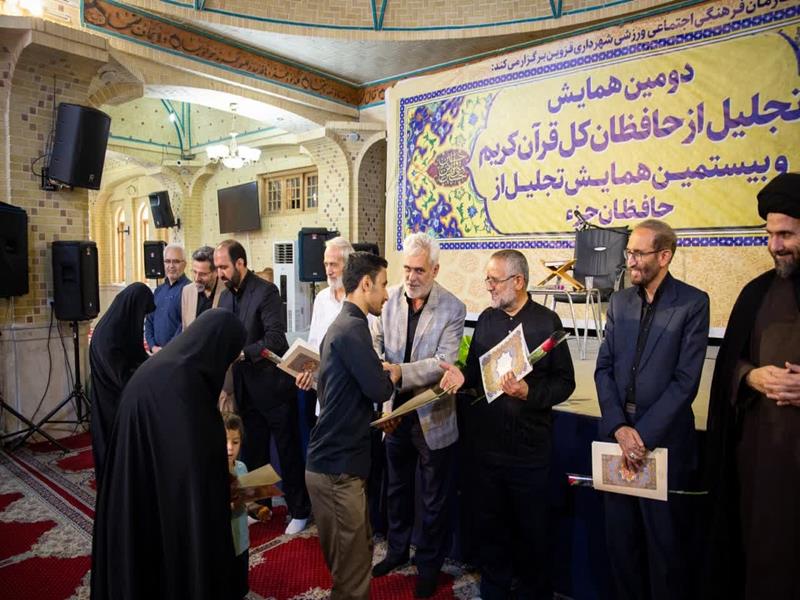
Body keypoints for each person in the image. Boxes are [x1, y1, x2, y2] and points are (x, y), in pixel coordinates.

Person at [441, 249, 575, 600]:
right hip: (487, 448)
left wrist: (530, 392)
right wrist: (462, 376)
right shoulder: (487, 319)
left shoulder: (546, 322)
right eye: (487, 279)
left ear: (518, 281)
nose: (488, 286)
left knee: (532, 531)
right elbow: (476, 373)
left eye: (494, 280)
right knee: (491, 526)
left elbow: (565, 382)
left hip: (529, 451)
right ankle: (495, 588)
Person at [91, 309, 246, 600]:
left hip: (138, 490)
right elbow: (193, 478)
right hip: (167, 507)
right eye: (228, 357)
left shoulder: (170, 366)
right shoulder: (185, 385)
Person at [594, 219, 709, 600]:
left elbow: (685, 382)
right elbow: (604, 368)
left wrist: (641, 436)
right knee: (621, 547)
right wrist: (619, 428)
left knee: (665, 553)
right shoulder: (619, 302)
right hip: (617, 440)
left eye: (639, 254)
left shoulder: (693, 303)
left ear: (664, 256)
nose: (630, 261)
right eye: (628, 253)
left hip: (662, 443)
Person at [705, 172, 800, 600]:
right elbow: (729, 363)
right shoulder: (755, 293)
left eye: (786, 234)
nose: (775, 245)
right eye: (769, 234)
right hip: (759, 462)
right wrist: (750, 375)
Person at [370, 233, 466, 598]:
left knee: (433, 499)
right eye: (407, 268)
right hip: (395, 412)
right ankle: (397, 551)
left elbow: (443, 363)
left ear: (435, 270)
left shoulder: (453, 308)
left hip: (432, 416)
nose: (411, 277)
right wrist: (386, 388)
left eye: (419, 270)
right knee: (396, 490)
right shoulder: (389, 299)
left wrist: (399, 371)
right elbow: (375, 346)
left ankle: (428, 566)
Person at [305, 251, 400, 600]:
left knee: (356, 559)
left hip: (339, 466)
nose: (386, 295)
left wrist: (376, 419)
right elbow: (379, 389)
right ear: (366, 284)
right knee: (352, 575)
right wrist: (393, 373)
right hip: (336, 470)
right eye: (384, 285)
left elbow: (342, 398)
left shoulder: (345, 325)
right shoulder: (353, 329)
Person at [215, 239, 312, 535]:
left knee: (287, 452)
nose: (220, 273)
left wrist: (243, 353)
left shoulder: (266, 292)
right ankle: (260, 506)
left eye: (224, 267)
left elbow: (275, 339)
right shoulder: (225, 298)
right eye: (217, 267)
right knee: (254, 453)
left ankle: (299, 510)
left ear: (240, 263)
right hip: (244, 389)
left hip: (274, 389)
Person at [89, 282, 154, 484]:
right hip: (110, 404)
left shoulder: (120, 326)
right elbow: (122, 376)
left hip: (119, 403)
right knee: (114, 455)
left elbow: (135, 355)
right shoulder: (108, 336)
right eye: (142, 314)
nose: (142, 319)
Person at [296, 236, 354, 436]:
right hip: (325, 397)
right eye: (326, 264)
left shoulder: (359, 298)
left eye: (333, 264)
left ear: (348, 265)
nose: (328, 270)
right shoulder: (321, 299)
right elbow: (314, 344)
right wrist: (306, 371)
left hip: (352, 398)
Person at [145, 243, 190, 353]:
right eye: (167, 261)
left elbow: (185, 326)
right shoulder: (158, 291)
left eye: (176, 261)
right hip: (156, 353)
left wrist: (167, 351)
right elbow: (149, 321)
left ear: (184, 264)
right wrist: (153, 347)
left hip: (177, 354)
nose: (171, 266)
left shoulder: (189, 290)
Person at [224, 412, 250, 600]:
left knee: (241, 581)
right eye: (225, 441)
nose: (230, 448)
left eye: (235, 442)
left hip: (242, 538)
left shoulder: (242, 468)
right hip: (224, 541)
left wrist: (258, 507)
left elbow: (248, 499)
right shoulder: (212, 472)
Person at [181, 245, 224, 329]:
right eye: (194, 272)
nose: (197, 278)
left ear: (216, 272)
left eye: (203, 274)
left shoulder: (228, 291)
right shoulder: (187, 291)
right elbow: (185, 329)